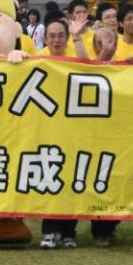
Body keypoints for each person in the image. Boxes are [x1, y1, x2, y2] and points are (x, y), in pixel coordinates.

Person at [37, 16, 90, 249]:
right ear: (45, 38)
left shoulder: (73, 54)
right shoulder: (37, 59)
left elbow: (88, 67)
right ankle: (48, 231)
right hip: (46, 129)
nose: (56, 40)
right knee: (49, 176)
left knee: (70, 178)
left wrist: (78, 36)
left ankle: (69, 232)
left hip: (73, 128)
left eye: (61, 35)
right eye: (52, 36)